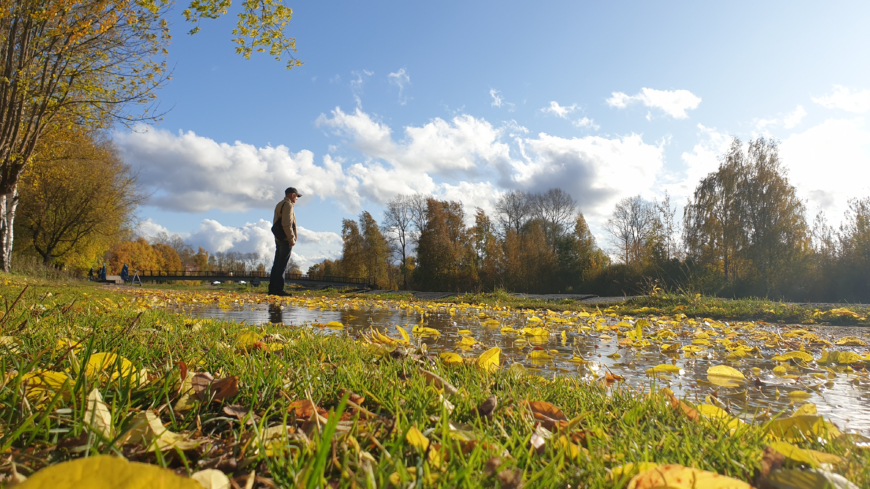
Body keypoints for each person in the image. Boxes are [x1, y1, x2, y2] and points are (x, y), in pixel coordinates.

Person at [269, 187, 302, 296]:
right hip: (285, 239)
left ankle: (272, 289)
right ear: (292, 195)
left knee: (276, 264)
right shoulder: (288, 205)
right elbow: (286, 224)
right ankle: (279, 290)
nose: (297, 199)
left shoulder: (280, 204)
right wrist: (291, 238)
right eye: (297, 196)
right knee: (282, 265)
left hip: (279, 238)